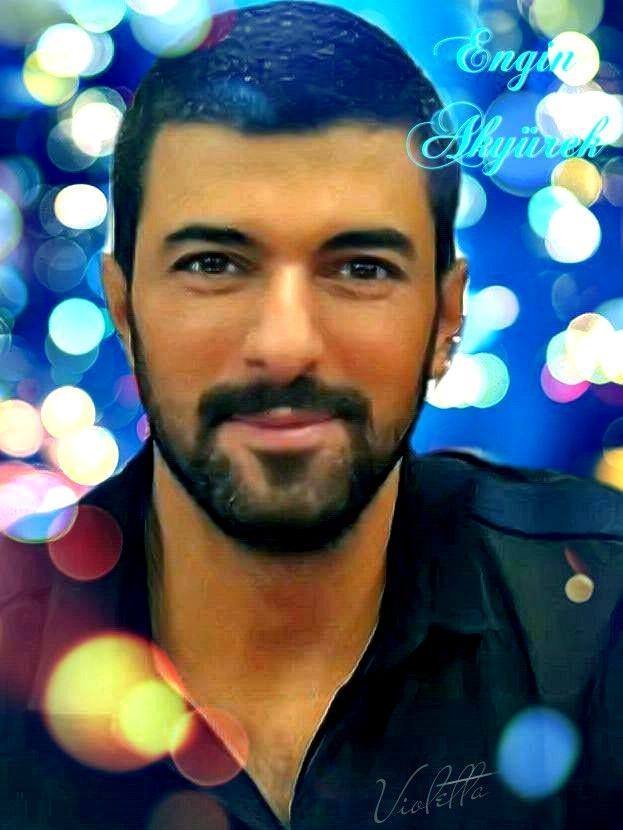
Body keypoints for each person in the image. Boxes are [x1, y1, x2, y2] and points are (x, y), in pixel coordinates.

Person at [2, 2, 623, 829]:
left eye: (360, 268)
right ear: (123, 307)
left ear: (446, 318)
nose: (286, 346)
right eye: (213, 264)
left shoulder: (598, 614)